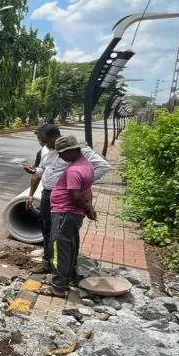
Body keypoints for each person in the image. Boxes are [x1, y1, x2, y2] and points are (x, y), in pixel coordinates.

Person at [25, 124, 109, 274]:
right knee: (47, 229)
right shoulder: (46, 151)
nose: (42, 145)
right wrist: (36, 171)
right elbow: (44, 169)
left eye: (44, 141)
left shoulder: (76, 151)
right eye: (40, 141)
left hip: (68, 198)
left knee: (63, 234)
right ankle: (48, 263)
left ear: (55, 137)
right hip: (47, 194)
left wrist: (80, 184)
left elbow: (102, 166)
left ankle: (65, 268)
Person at [40, 135, 97, 298]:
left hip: (64, 213)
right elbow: (87, 191)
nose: (60, 156)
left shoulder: (74, 170)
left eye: (62, 153)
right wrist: (89, 208)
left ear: (72, 151)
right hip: (72, 214)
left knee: (59, 248)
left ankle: (58, 286)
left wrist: (87, 208)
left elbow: (77, 196)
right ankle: (69, 276)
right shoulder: (86, 166)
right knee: (70, 245)